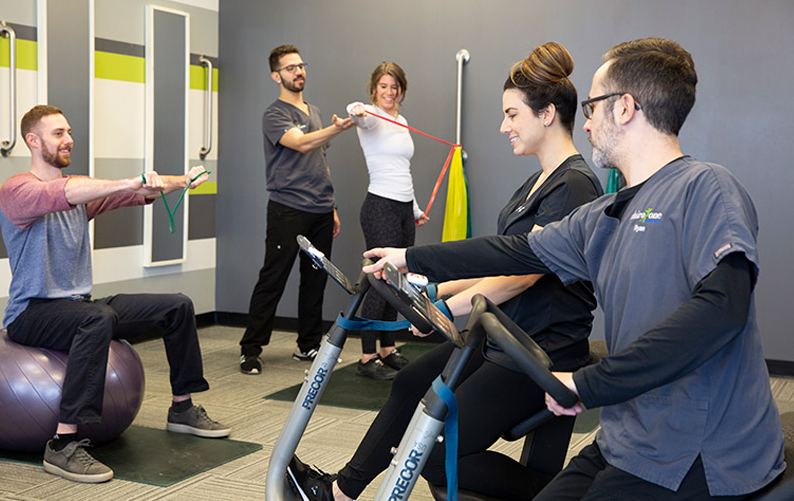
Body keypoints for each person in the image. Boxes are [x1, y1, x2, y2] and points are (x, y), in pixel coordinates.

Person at [364, 37, 786, 500]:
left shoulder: (705, 186)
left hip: (704, 453)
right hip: (624, 440)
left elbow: (723, 308)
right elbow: (512, 252)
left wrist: (590, 383)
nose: (585, 124)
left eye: (592, 106)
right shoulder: (605, 214)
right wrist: (409, 257)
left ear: (624, 108)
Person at [288, 42, 603, 500]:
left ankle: (551, 492)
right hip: (501, 336)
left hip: (539, 353)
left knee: (434, 454)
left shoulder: (574, 185)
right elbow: (496, 261)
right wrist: (431, 291)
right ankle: (341, 490)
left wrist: (446, 309)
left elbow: (522, 273)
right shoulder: (534, 180)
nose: (503, 126)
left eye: (512, 115)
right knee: (412, 382)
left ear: (547, 114)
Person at [0, 105, 231, 484]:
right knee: (97, 318)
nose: (68, 139)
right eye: (58, 133)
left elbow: (136, 191)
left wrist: (183, 179)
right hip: (31, 313)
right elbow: (64, 192)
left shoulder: (79, 192)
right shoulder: (17, 190)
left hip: (78, 307)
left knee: (177, 306)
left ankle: (182, 408)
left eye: (68, 131)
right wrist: (126, 181)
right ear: (32, 140)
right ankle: (63, 444)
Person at [239, 45, 357, 375]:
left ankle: (307, 344)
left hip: (320, 208)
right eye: (290, 68)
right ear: (276, 76)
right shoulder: (273, 114)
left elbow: (320, 159)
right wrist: (338, 128)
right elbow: (302, 143)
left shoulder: (315, 112)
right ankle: (251, 348)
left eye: (301, 66)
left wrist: (331, 206)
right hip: (287, 208)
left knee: (314, 280)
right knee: (273, 278)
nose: (298, 72)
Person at [346, 61, 430, 380]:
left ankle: (387, 349)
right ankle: (367, 357)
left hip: (403, 208)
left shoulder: (401, 120)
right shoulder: (370, 117)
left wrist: (416, 209)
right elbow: (358, 116)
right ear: (374, 89)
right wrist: (356, 109)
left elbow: (402, 171)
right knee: (378, 280)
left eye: (394, 87)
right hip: (379, 206)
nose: (389, 92)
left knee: (398, 278)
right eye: (384, 86)